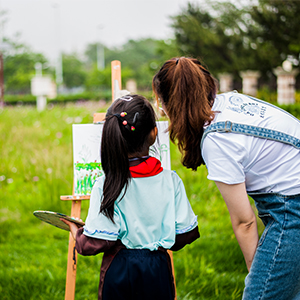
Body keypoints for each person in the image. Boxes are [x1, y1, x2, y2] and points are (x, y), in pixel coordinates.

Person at [152, 57, 300, 300]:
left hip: (292, 208)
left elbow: (245, 222)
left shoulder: (217, 140)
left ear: (169, 105)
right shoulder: (231, 102)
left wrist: (258, 277)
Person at [62, 94, 200, 300]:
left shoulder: (106, 183)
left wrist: (77, 232)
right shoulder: (171, 180)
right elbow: (185, 234)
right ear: (154, 134)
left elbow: (96, 241)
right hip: (158, 269)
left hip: (119, 269)